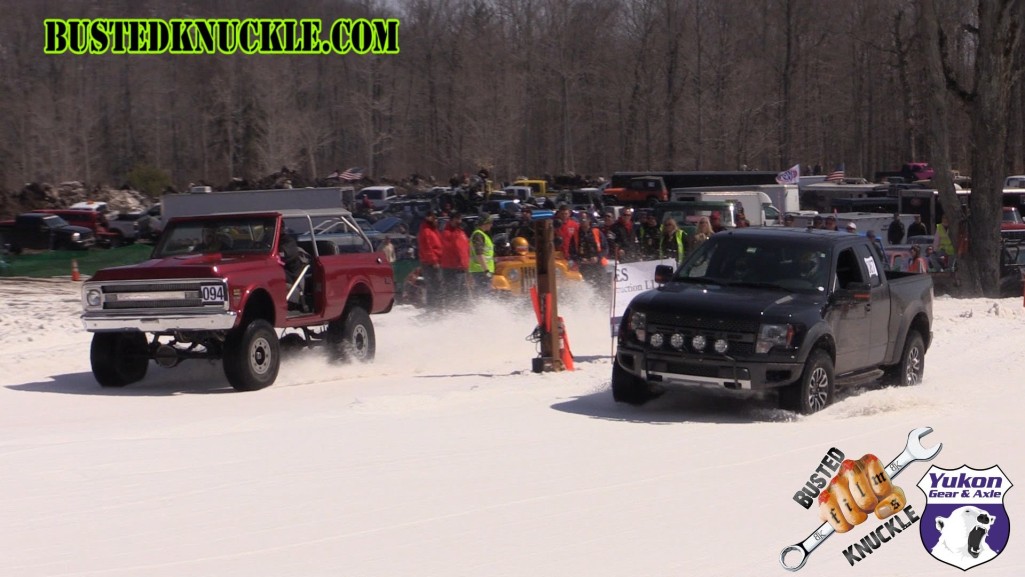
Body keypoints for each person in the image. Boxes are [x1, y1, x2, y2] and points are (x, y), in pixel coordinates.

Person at [440, 212, 469, 305]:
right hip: (452, 268)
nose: (459, 221)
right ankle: (450, 313)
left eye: (460, 219)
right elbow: (452, 249)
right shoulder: (447, 233)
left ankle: (463, 313)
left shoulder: (461, 232)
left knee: (463, 294)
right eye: (457, 219)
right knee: (452, 293)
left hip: (462, 268)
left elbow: (465, 249)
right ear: (451, 220)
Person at [417, 211, 444, 308]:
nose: (436, 220)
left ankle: (436, 308)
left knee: (437, 286)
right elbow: (427, 248)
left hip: (437, 261)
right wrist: (434, 261)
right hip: (430, 264)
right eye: (434, 218)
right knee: (435, 287)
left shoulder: (433, 229)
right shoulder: (426, 231)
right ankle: (435, 308)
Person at [575, 212, 608, 288]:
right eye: (581, 219)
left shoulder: (597, 232)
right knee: (586, 287)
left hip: (598, 265)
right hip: (584, 267)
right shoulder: (576, 234)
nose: (583, 221)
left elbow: (605, 248)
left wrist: (597, 257)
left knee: (601, 287)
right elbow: (572, 252)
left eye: (585, 219)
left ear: (589, 220)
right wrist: (580, 259)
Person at [468, 214, 496, 295]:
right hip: (481, 271)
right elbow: (479, 253)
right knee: (485, 295)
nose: (491, 225)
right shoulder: (478, 235)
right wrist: (486, 271)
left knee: (484, 294)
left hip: (481, 270)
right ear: (486, 223)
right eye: (490, 222)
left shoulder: (482, 234)